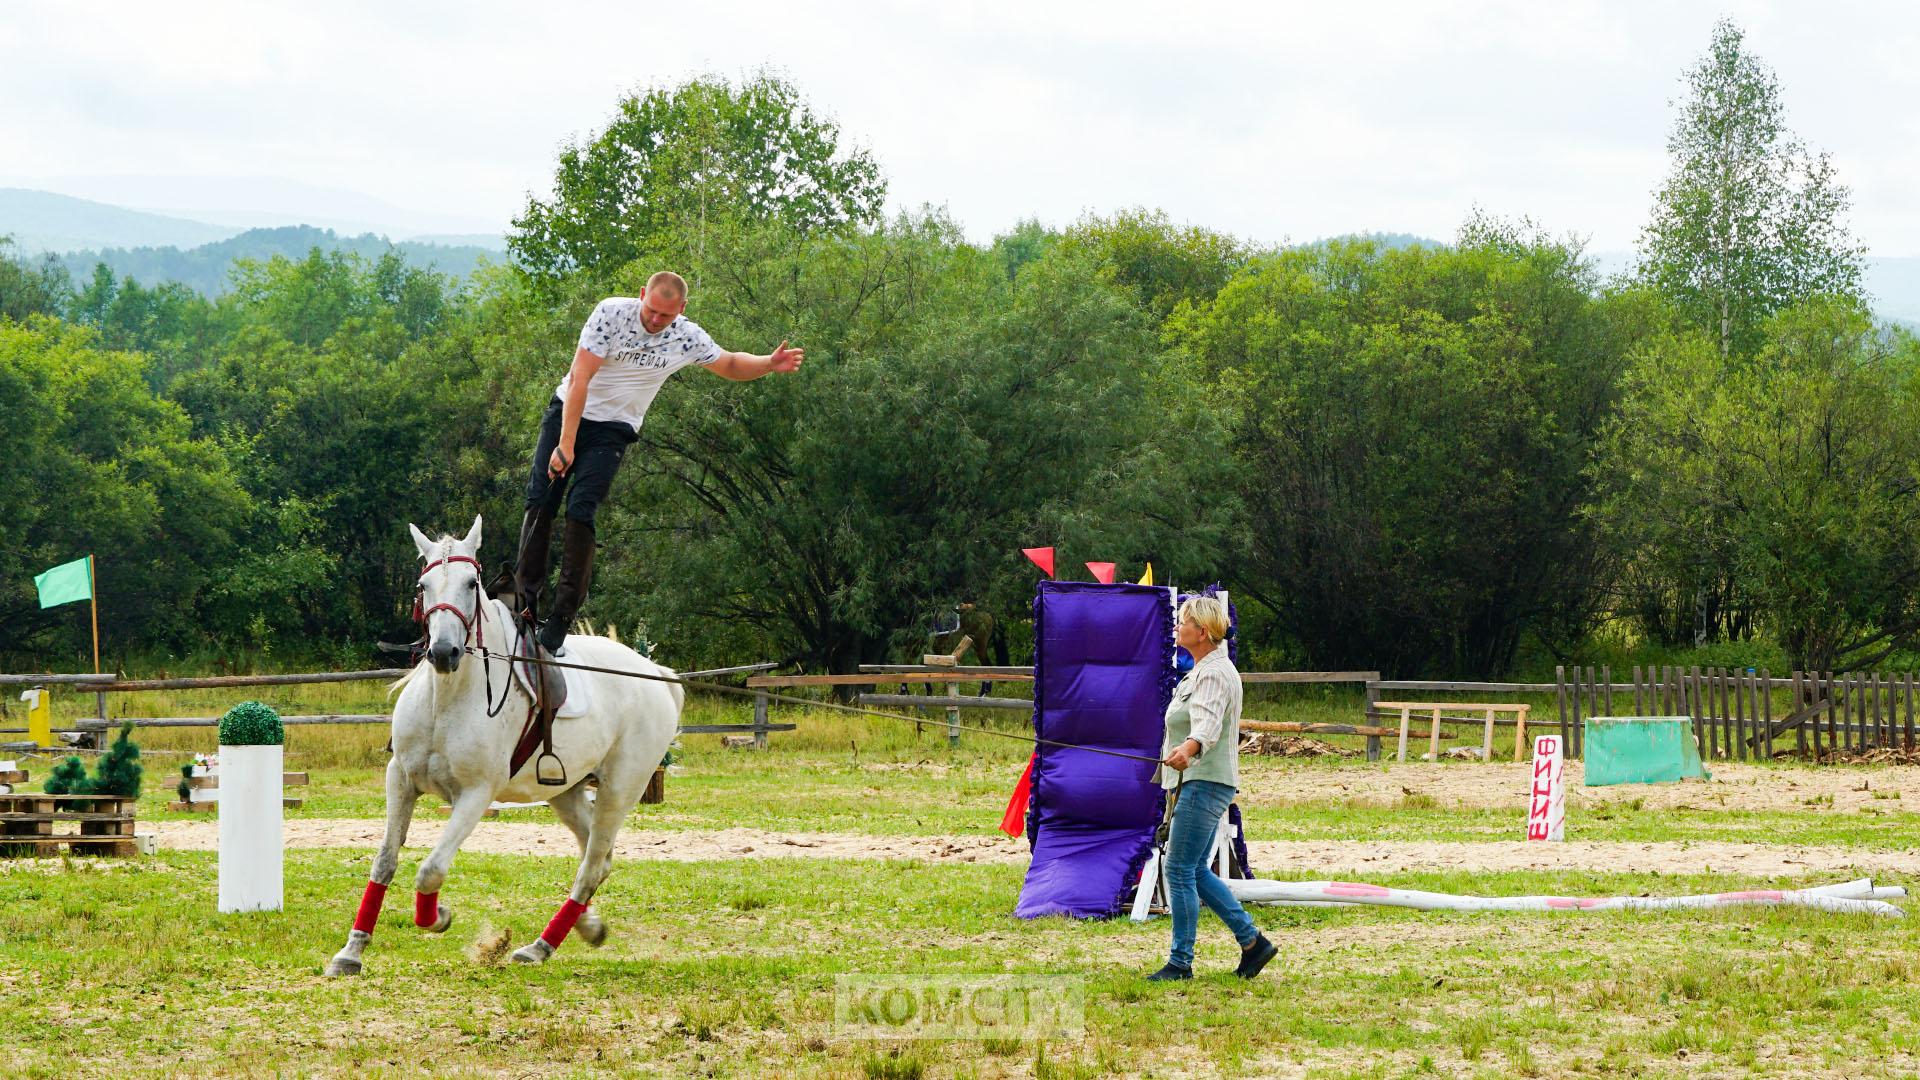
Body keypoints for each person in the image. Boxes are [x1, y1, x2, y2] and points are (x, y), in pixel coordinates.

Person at [511, 270, 803, 654]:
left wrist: (768, 362)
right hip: (569, 412)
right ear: (641, 295)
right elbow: (580, 378)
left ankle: (562, 617)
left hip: (613, 429)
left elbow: (729, 363)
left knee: (581, 510)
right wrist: (564, 444)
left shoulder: (686, 336)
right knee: (542, 502)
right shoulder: (611, 314)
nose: (654, 320)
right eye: (650, 310)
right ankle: (524, 603)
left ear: (680, 310)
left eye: (665, 315)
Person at [1147, 595, 1278, 981]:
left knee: (1178, 868)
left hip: (1205, 780)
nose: (1177, 626)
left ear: (1202, 631)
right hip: (1199, 781)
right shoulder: (1203, 669)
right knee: (1196, 870)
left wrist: (1189, 748)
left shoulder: (1214, 674)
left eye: (1182, 621)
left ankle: (1180, 962)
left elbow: (1207, 723)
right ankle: (1253, 942)